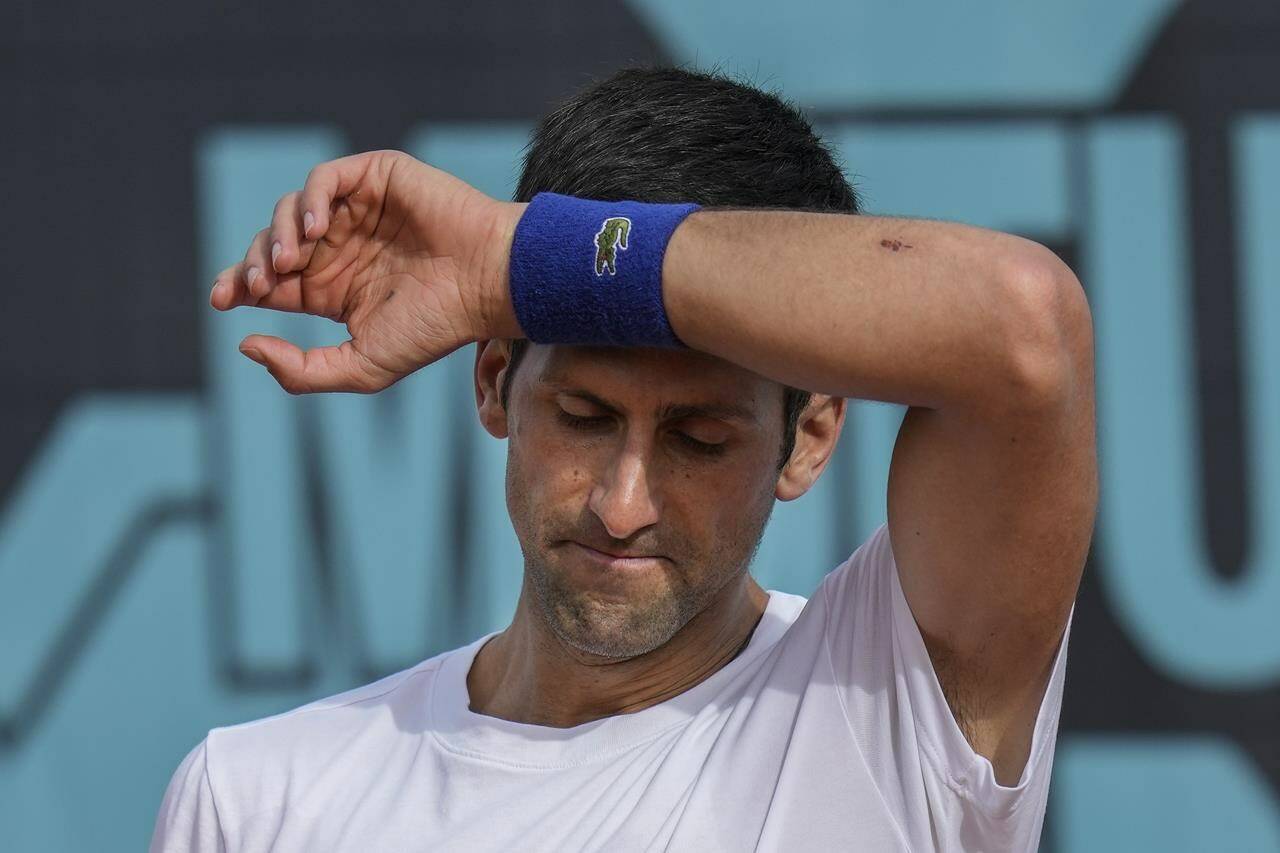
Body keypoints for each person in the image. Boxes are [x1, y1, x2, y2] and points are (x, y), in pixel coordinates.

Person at [150, 65, 1097, 852]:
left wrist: (513, 260)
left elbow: (1023, 329)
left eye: (700, 438)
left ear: (807, 438)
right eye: (585, 415)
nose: (622, 502)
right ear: (492, 381)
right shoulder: (257, 801)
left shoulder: (888, 706)